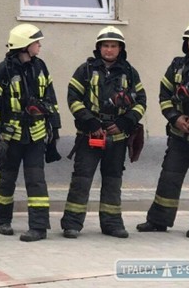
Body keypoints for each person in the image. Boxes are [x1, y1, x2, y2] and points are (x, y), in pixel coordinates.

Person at [60, 27, 147, 239]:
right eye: (105, 45)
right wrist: (90, 122)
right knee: (81, 180)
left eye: (113, 46)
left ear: (120, 48)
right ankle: (72, 224)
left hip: (117, 137)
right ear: (99, 48)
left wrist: (125, 122)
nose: (109, 49)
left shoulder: (130, 72)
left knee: (113, 181)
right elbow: (73, 98)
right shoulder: (85, 70)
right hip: (90, 135)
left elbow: (141, 101)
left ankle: (112, 224)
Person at [137, 20, 189, 238]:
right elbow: (164, 95)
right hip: (179, 134)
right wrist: (175, 118)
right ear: (187, 43)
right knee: (169, 177)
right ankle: (158, 221)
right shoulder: (176, 66)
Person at [0, 23, 61, 242]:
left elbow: (51, 97)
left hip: (36, 136)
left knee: (36, 181)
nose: (39, 46)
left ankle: (38, 227)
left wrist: (55, 128)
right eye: (36, 42)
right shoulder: (2, 71)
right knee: (6, 180)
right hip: (10, 137)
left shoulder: (40, 67)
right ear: (25, 45)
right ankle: (3, 220)